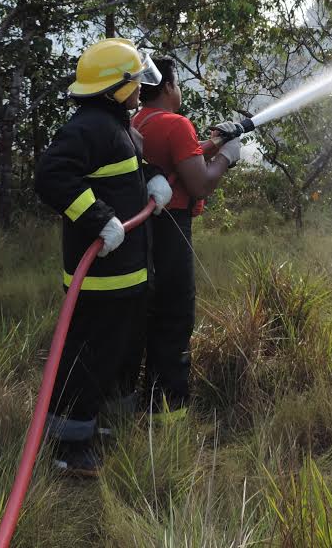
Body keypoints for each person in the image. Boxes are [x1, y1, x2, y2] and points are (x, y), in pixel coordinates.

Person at [33, 38, 173, 477]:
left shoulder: (118, 127)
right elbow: (51, 176)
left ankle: (99, 425)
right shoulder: (88, 127)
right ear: (117, 88)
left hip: (127, 274)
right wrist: (97, 218)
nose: (140, 90)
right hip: (99, 278)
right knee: (87, 359)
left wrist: (153, 178)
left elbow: (120, 170)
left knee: (117, 355)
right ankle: (69, 446)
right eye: (135, 83)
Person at [131, 58, 242, 417]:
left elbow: (176, 161)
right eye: (177, 84)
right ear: (167, 87)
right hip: (172, 228)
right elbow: (200, 183)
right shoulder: (176, 124)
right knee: (176, 314)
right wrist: (226, 157)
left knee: (151, 313)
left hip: (142, 232)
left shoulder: (137, 122)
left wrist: (213, 143)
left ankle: (143, 398)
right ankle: (170, 410)